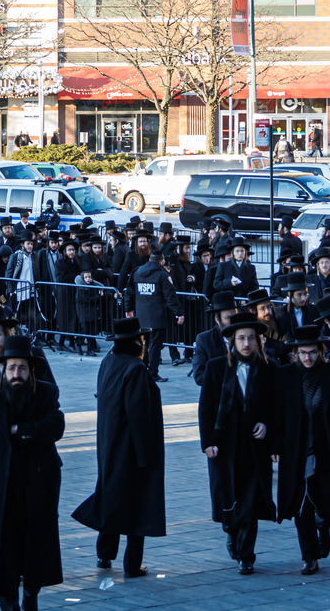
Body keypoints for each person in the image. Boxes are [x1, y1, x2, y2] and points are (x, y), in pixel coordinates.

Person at [0, 334, 66, 611]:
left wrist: (23, 431)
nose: (16, 374)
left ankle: (31, 594)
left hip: (36, 484)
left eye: (21, 368)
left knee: (34, 549)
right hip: (0, 486)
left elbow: (56, 426)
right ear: (3, 370)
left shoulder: (45, 393)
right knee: (1, 552)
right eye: (11, 368)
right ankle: (7, 603)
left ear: (30, 370)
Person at [72, 317, 166, 579]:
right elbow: (138, 415)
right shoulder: (135, 369)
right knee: (138, 505)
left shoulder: (108, 362)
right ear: (137, 342)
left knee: (112, 496)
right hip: (131, 450)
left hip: (109, 445)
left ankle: (104, 553)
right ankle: (132, 564)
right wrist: (146, 455)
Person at [198, 310, 276, 574]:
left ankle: (247, 554)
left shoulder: (267, 368)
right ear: (232, 341)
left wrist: (267, 424)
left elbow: (274, 405)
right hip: (226, 444)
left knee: (251, 498)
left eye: (251, 338)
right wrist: (207, 442)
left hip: (255, 445)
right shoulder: (217, 367)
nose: (246, 344)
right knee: (229, 495)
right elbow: (206, 407)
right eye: (241, 338)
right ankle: (231, 529)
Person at [276, 324, 330, 576]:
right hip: (298, 449)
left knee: (328, 498)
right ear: (295, 354)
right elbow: (278, 415)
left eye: (312, 352)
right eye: (302, 353)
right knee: (301, 505)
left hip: (329, 447)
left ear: (321, 351)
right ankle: (308, 556)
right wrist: (276, 446)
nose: (307, 358)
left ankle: (325, 526)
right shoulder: (286, 375)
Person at [132, 246, 181, 383]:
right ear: (161, 261)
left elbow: (130, 292)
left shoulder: (137, 272)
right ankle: (153, 372)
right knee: (155, 346)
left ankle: (142, 370)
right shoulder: (162, 275)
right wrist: (179, 313)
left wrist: (128, 309)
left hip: (141, 316)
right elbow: (170, 296)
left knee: (144, 345)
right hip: (157, 316)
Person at [191, 291, 238, 387]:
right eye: (228, 317)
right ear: (217, 319)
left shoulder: (244, 337)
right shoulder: (204, 340)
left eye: (235, 316)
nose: (233, 321)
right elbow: (199, 376)